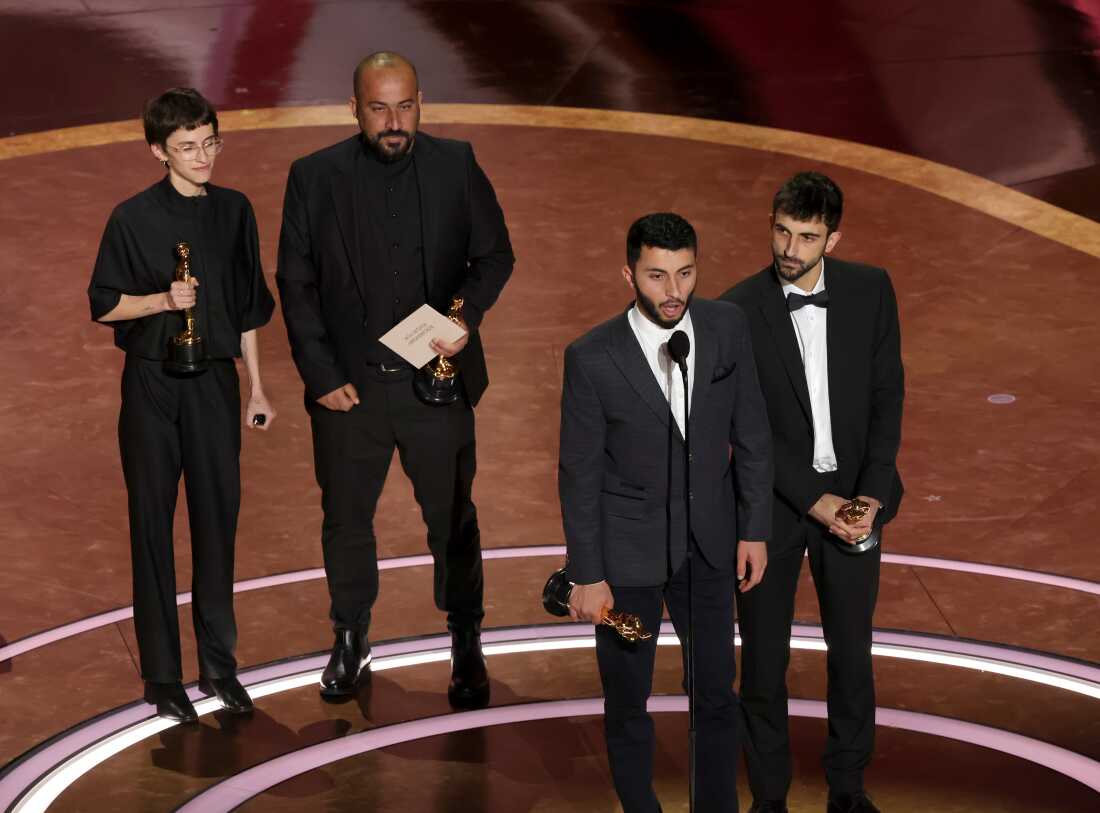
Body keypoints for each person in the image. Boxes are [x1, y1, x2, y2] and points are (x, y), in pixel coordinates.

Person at [276, 51, 514, 708]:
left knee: (453, 522)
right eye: (378, 107)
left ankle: (466, 639)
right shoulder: (313, 177)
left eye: (404, 105)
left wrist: (461, 318)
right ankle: (351, 636)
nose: (394, 121)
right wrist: (321, 374)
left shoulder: (456, 164)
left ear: (421, 102)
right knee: (345, 521)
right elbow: (295, 283)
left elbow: (494, 255)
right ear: (353, 107)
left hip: (435, 387)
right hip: (349, 393)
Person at [559, 213, 773, 812]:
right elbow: (579, 474)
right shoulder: (593, 357)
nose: (673, 291)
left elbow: (752, 429)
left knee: (714, 693)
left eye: (685, 274)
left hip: (709, 545)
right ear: (628, 274)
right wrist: (586, 572)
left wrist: (754, 527)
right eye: (657, 276)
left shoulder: (727, 326)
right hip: (626, 557)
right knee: (627, 697)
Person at [88, 87, 276, 723]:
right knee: (153, 527)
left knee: (217, 525)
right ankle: (163, 677)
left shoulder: (234, 211)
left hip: (215, 386)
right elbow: (105, 303)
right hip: (150, 385)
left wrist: (257, 386)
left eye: (210, 143)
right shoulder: (131, 219)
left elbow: (249, 308)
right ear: (157, 152)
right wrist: (163, 303)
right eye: (187, 148)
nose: (204, 157)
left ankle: (220, 666)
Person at [721, 172, 904, 813]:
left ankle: (847, 792)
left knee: (852, 655)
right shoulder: (736, 309)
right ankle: (768, 799)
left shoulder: (871, 290)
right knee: (764, 665)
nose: (789, 249)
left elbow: (888, 398)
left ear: (834, 237)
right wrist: (813, 499)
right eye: (781, 231)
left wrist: (872, 498)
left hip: (855, 501)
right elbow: (748, 431)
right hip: (772, 505)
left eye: (806, 236)